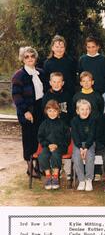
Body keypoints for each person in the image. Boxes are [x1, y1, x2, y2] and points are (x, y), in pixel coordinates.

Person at [12, 46, 45, 178]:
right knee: (29, 140)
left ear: (35, 58)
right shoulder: (19, 76)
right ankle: (29, 168)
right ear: (22, 59)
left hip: (40, 109)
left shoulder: (41, 73)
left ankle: (39, 166)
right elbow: (16, 95)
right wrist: (25, 111)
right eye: (27, 56)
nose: (30, 58)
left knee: (40, 138)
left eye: (32, 56)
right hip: (27, 110)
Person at [38, 100, 70, 190]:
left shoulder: (63, 124)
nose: (52, 113)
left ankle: (55, 177)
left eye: (55, 111)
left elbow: (67, 138)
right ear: (46, 111)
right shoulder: (43, 124)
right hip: (47, 146)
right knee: (42, 156)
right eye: (50, 111)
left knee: (55, 155)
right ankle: (48, 177)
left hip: (60, 147)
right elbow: (40, 137)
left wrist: (57, 145)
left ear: (58, 111)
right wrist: (48, 145)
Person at [71, 99, 96, 192]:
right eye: (82, 109)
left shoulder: (92, 120)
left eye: (87, 109)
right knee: (76, 157)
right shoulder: (74, 120)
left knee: (90, 157)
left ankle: (88, 179)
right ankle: (81, 180)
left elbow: (92, 135)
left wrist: (86, 148)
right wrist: (80, 147)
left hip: (89, 143)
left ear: (90, 110)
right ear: (77, 111)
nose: (84, 111)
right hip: (78, 144)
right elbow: (75, 135)